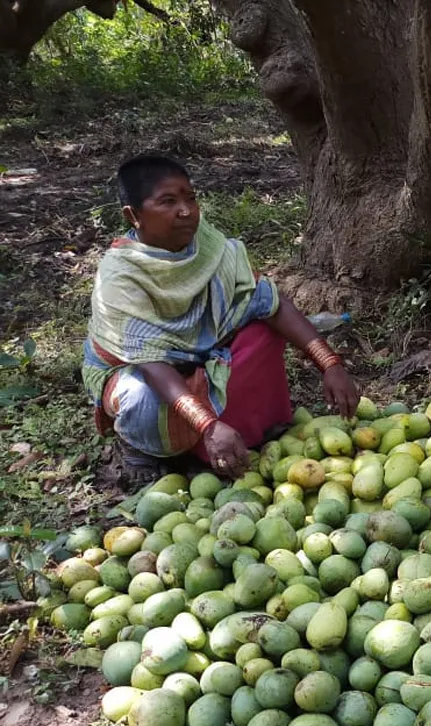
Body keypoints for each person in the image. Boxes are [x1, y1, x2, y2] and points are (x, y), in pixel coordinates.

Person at [82, 154, 359, 484]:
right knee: (140, 396)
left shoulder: (211, 248)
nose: (186, 211)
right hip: (145, 371)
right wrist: (207, 425)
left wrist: (330, 364)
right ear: (134, 215)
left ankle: (243, 428)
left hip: (206, 355)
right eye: (168, 202)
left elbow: (270, 302)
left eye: (190, 198)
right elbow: (151, 363)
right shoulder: (120, 275)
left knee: (263, 333)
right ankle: (144, 446)